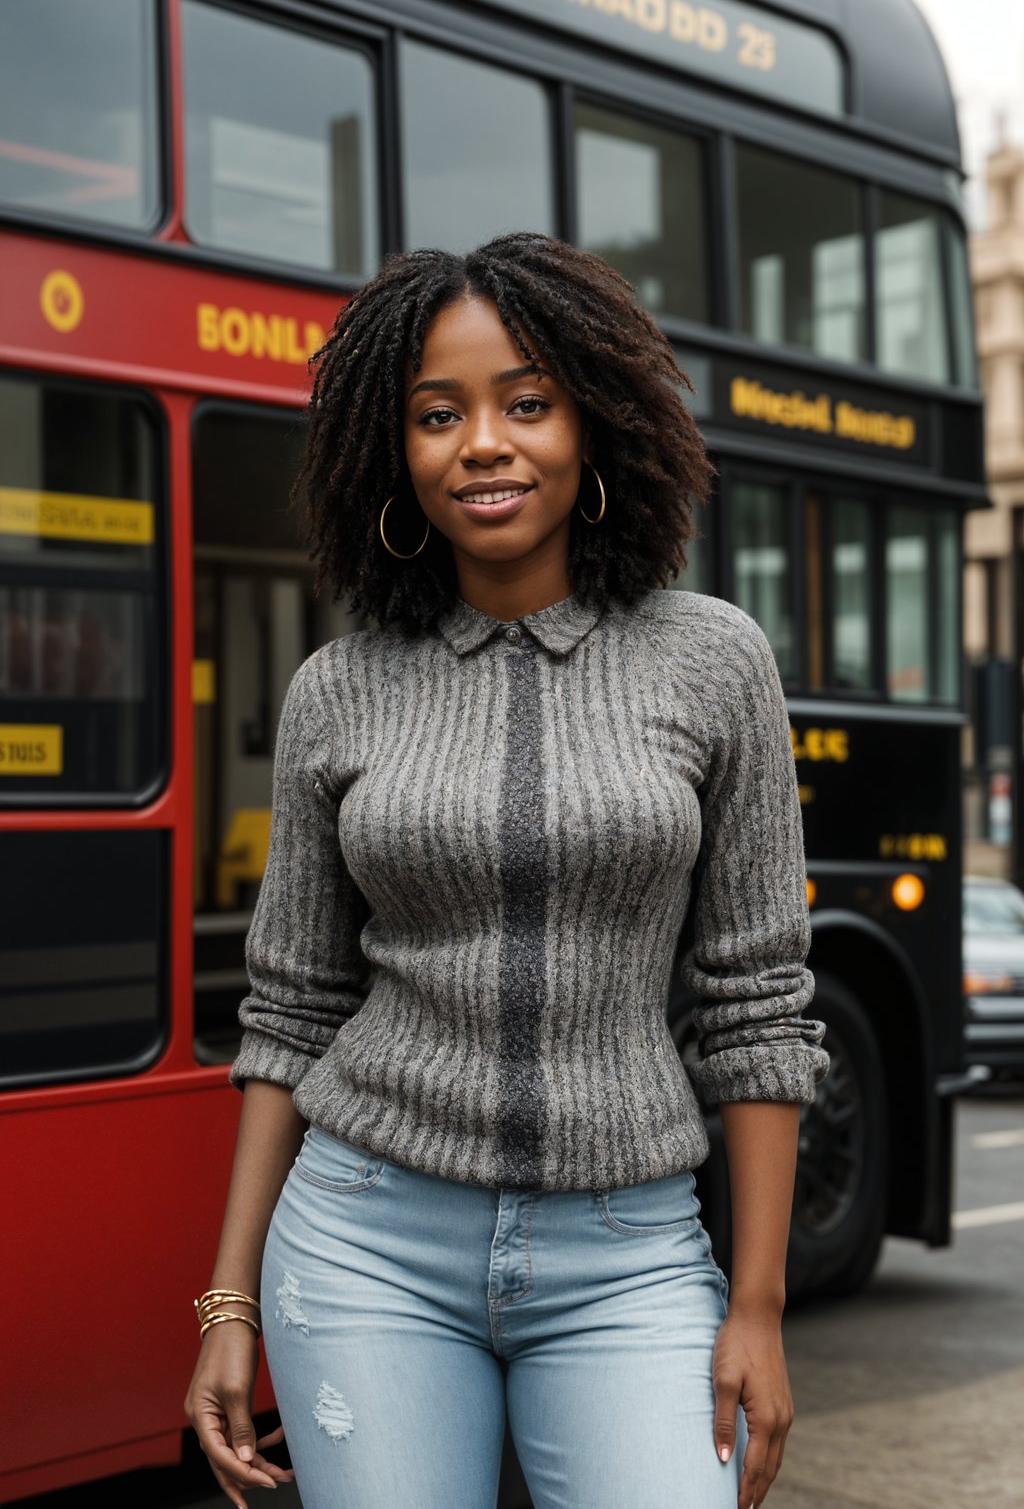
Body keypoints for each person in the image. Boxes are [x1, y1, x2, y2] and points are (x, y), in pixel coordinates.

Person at [184, 232, 829, 1509]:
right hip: (365, 1239)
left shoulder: (714, 661)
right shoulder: (339, 689)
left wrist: (755, 1305)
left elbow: (759, 1006)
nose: (484, 442)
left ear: (592, 425)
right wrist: (228, 1300)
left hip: (628, 1252)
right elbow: (293, 1011)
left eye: (526, 402)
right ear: (395, 452)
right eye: (438, 414)